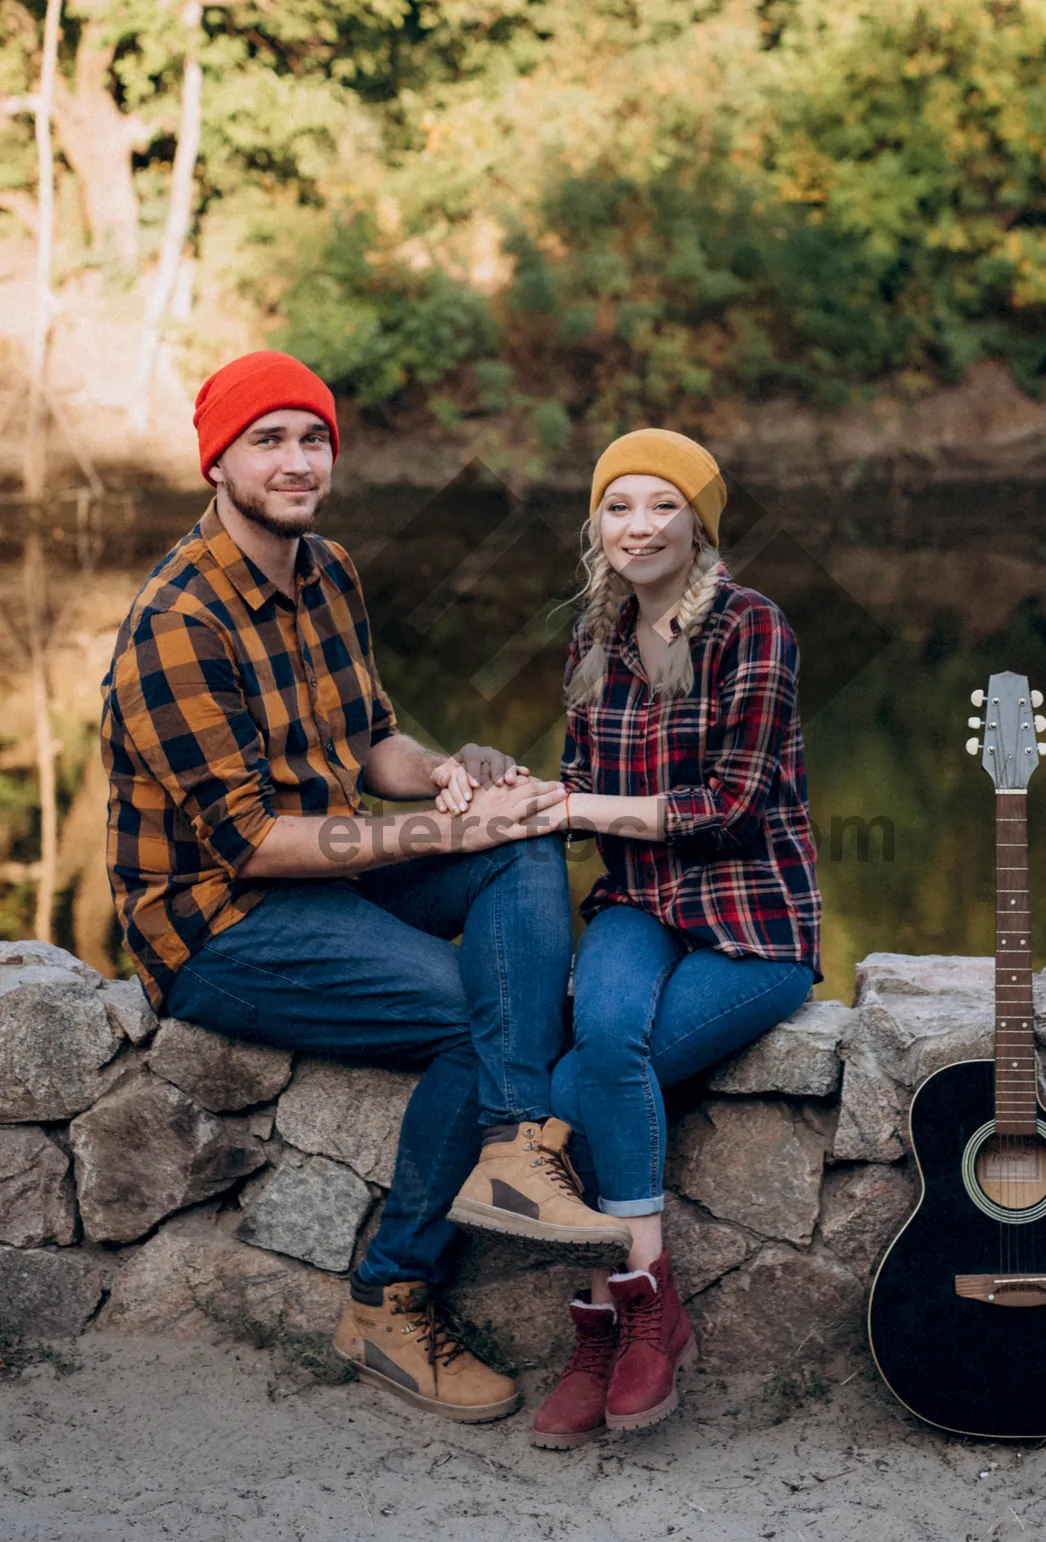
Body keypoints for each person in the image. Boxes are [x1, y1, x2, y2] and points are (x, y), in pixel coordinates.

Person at [100, 349, 630, 1426]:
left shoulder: (327, 570)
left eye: (314, 439)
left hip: (332, 875)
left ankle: (520, 1144)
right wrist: (435, 828)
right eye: (270, 441)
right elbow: (249, 842)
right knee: (475, 1017)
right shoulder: (177, 624)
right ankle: (390, 1301)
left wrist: (450, 775)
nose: (299, 463)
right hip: (221, 920)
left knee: (525, 834)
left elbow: (368, 742)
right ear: (219, 462)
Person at [523, 428, 821, 1444]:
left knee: (582, 1082)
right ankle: (650, 1303)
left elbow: (731, 806)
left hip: (753, 924)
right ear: (596, 523)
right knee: (603, 1037)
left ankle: (610, 1318)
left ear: (699, 521)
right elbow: (575, 777)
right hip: (640, 906)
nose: (638, 526)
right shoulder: (594, 641)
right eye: (618, 506)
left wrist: (573, 809)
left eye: (662, 506)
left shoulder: (753, 627)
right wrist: (519, 798)